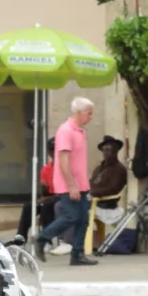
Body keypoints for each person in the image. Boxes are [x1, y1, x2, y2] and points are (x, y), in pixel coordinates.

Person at [37, 95, 98, 265]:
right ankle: (42, 237)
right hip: (68, 184)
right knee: (71, 217)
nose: (91, 117)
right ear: (78, 112)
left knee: (83, 220)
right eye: (89, 113)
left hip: (81, 184)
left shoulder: (80, 131)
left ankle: (77, 254)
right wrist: (72, 185)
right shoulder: (66, 131)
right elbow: (63, 161)